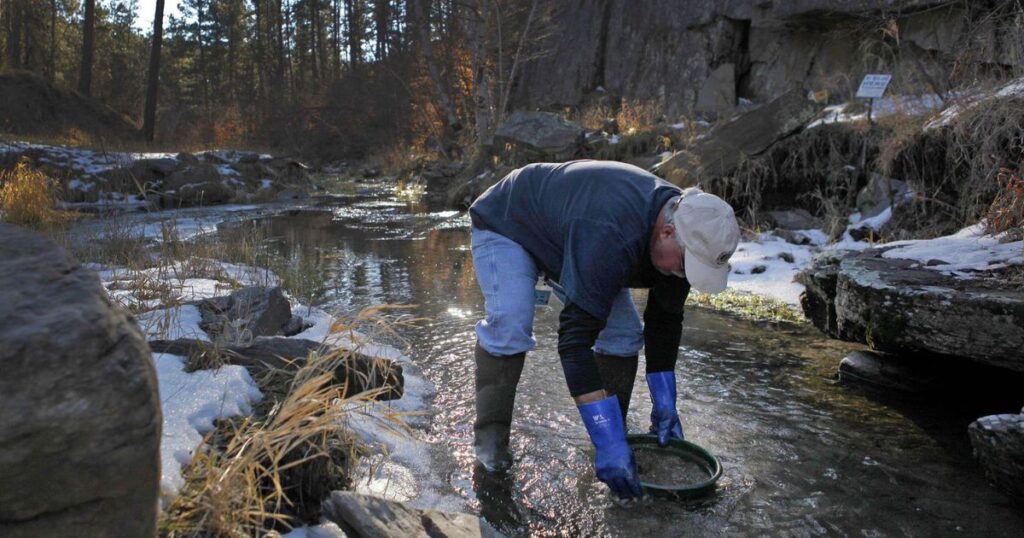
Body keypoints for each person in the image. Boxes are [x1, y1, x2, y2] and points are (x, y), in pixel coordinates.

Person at [468, 160, 740, 499]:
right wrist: (606, 438)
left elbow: (664, 320)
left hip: (572, 234)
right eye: (687, 265)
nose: (685, 274)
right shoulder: (612, 234)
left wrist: (665, 401)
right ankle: (491, 449)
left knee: (623, 337)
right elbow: (574, 341)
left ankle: (613, 439)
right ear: (667, 232)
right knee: (510, 325)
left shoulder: (686, 240)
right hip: (510, 222)